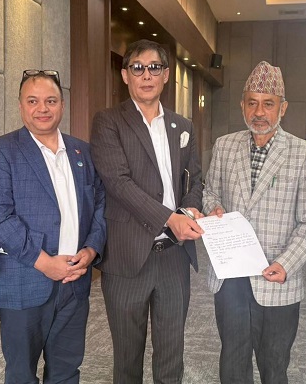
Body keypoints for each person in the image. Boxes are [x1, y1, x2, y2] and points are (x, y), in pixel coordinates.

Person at [0, 70, 106, 383]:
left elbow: (101, 206)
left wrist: (92, 249)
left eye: (50, 101)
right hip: (24, 282)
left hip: (75, 281)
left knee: (66, 371)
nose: (42, 108)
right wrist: (45, 263)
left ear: (62, 105)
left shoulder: (84, 152)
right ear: (21, 106)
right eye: (33, 101)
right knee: (21, 375)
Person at [90, 39, 204, 383]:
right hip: (127, 256)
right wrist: (170, 218)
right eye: (137, 68)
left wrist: (191, 209)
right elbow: (118, 183)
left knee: (171, 355)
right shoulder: (108, 121)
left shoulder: (183, 126)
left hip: (174, 256)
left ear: (166, 75)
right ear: (125, 75)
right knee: (127, 358)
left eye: (154, 67)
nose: (146, 75)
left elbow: (195, 178)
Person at [203, 61, 306, 383]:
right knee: (233, 364)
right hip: (231, 279)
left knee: (274, 367)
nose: (259, 112)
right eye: (252, 102)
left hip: (277, 279)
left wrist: (285, 264)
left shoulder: (304, 154)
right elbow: (210, 192)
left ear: (282, 108)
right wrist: (214, 208)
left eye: (268, 104)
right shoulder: (225, 145)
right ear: (242, 105)